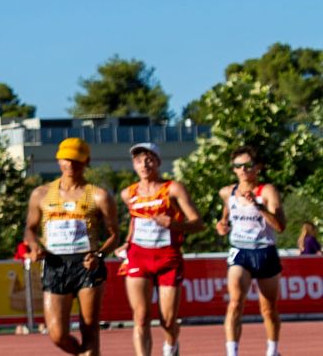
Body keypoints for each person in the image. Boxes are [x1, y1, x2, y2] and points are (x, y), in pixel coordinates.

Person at [23, 138, 119, 356]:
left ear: (86, 161)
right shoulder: (41, 194)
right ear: (59, 160)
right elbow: (30, 228)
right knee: (57, 334)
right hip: (55, 264)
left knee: (90, 329)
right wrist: (34, 246)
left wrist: (100, 254)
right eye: (66, 159)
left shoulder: (99, 196)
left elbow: (115, 235)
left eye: (77, 160)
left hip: (87, 265)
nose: (71, 165)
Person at [117, 143, 203, 356]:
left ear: (158, 162)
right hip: (138, 256)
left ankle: (170, 347)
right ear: (133, 165)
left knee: (167, 320)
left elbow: (198, 223)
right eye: (138, 161)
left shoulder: (173, 188)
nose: (144, 165)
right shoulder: (128, 194)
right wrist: (127, 241)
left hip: (167, 257)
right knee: (140, 317)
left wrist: (174, 225)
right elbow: (134, 220)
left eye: (149, 159)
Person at [216, 145, 285, 356]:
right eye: (238, 166)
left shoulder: (268, 191)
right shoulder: (228, 192)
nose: (243, 170)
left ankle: (273, 350)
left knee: (268, 309)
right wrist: (222, 226)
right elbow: (224, 220)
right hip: (240, 251)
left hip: (264, 252)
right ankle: (232, 352)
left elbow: (280, 226)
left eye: (248, 165)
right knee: (235, 302)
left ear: (258, 168)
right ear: (234, 169)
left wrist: (259, 207)